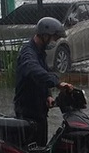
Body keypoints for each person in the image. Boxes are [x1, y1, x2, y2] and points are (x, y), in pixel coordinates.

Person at [14, 16, 73, 146]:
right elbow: (34, 71)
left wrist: (48, 95)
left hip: (39, 109)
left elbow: (43, 75)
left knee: (40, 148)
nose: (55, 42)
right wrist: (57, 83)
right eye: (54, 38)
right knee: (30, 150)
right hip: (27, 110)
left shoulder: (40, 53)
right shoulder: (28, 53)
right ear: (45, 35)